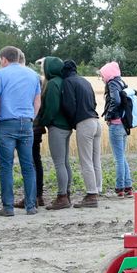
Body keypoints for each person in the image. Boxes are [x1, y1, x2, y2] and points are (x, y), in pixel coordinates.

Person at [0, 46, 43, 216]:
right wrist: (31, 118)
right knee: (28, 165)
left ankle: (8, 207)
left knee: (6, 166)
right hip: (26, 124)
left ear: (4, 59)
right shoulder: (33, 75)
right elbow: (37, 102)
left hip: (6, 123)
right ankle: (31, 206)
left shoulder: (0, 75)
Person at [58, 59, 104, 208]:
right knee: (95, 159)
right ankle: (97, 190)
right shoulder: (85, 81)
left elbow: (69, 105)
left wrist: (72, 123)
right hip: (96, 122)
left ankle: (91, 195)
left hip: (84, 123)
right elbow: (95, 103)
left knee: (86, 161)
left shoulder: (68, 82)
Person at [37, 56, 75, 210]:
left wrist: (42, 121)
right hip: (66, 126)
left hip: (57, 127)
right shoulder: (62, 81)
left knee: (59, 163)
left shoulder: (53, 84)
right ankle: (67, 193)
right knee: (65, 162)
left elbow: (51, 108)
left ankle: (62, 197)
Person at [99, 60, 133, 197]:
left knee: (118, 158)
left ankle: (120, 188)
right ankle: (128, 186)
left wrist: (108, 115)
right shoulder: (121, 82)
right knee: (122, 156)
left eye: (102, 76)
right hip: (124, 125)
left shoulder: (112, 83)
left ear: (108, 74)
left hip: (116, 124)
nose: (101, 78)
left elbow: (116, 101)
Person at [21, 55, 48, 210]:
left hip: (29, 124)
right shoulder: (37, 79)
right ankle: (38, 195)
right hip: (36, 125)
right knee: (35, 160)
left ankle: (32, 197)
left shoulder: (25, 79)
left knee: (29, 162)